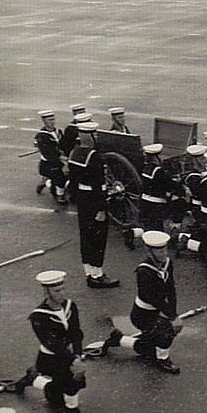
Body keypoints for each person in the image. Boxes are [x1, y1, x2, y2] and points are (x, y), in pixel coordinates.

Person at [7, 270, 88, 413]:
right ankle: (73, 409)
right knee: (70, 382)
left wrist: (78, 355)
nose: (62, 293)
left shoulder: (71, 307)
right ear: (46, 292)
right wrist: (73, 360)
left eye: (63, 289)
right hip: (50, 358)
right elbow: (52, 343)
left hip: (69, 355)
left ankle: (33, 379)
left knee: (58, 391)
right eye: (57, 291)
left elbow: (76, 333)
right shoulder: (38, 316)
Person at [101, 231, 183, 374]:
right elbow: (152, 297)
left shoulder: (167, 263)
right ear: (149, 252)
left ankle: (119, 340)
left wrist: (174, 313)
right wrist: (171, 317)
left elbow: (171, 288)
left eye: (165, 250)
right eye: (159, 251)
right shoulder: (144, 271)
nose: (164, 254)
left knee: (149, 349)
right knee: (166, 332)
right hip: (142, 314)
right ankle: (163, 359)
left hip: (157, 311)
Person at [67, 121, 120, 288]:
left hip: (83, 200)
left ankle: (89, 272)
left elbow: (73, 182)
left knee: (86, 237)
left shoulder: (74, 153)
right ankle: (97, 275)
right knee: (98, 239)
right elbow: (99, 185)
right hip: (94, 200)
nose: (96, 136)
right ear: (88, 136)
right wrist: (101, 209)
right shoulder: (95, 157)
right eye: (94, 134)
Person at [124, 143, 181, 249]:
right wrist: (178, 185)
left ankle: (132, 233)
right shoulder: (159, 171)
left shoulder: (146, 169)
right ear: (156, 157)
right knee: (156, 231)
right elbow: (168, 185)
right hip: (156, 205)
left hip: (145, 203)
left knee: (149, 226)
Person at [34, 110, 69, 205]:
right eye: (49, 120)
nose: (52, 122)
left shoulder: (58, 132)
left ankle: (46, 181)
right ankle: (60, 195)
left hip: (59, 160)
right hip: (48, 164)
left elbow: (64, 145)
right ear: (44, 121)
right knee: (60, 176)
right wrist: (62, 163)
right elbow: (48, 155)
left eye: (53, 119)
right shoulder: (42, 136)